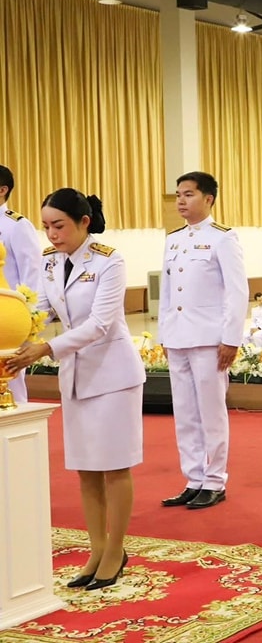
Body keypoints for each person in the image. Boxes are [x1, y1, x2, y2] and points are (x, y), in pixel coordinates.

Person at [7, 189, 143, 590]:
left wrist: (45, 347)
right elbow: (44, 310)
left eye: (59, 225)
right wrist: (15, 326)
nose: (51, 234)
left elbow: (100, 323)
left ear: (83, 222)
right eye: (46, 226)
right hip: (77, 375)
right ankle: (96, 548)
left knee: (114, 466)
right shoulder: (51, 264)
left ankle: (116, 550)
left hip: (114, 375)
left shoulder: (108, 260)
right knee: (86, 469)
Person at [158, 172, 247, 510]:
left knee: (211, 412)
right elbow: (167, 292)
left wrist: (231, 338)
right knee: (184, 412)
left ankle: (214, 480)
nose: (181, 200)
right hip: (178, 336)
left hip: (209, 339)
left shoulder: (223, 238)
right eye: (179, 194)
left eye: (189, 194)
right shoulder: (174, 239)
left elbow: (237, 292)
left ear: (208, 199)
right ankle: (193, 478)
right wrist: (165, 333)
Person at [0, 165, 42, 404]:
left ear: (2, 190)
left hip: (8, 317)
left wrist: (29, 317)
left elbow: (32, 272)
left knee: (10, 380)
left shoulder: (16, 225)